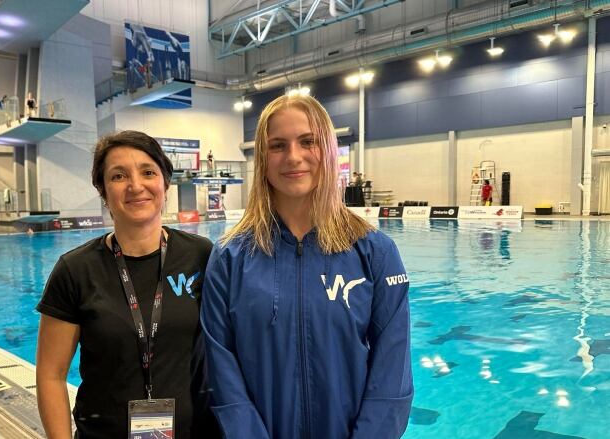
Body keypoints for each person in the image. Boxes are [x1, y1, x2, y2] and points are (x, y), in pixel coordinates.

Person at [201, 95, 413, 438]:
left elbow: (393, 371)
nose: (293, 157)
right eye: (278, 145)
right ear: (262, 160)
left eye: (308, 141)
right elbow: (222, 370)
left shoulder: (375, 252)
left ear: (328, 151)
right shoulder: (230, 256)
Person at [36, 130, 219, 439]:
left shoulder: (201, 255)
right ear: (103, 191)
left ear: (165, 182)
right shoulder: (76, 269)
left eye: (148, 172)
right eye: (119, 176)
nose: (136, 186)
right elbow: (51, 375)